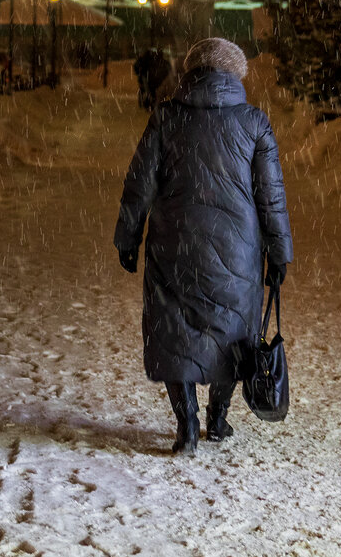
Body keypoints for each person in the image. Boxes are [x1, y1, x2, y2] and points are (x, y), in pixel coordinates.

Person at [114, 38, 292, 455]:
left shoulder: (166, 118)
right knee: (233, 331)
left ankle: (187, 426)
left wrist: (127, 237)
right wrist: (279, 252)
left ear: (190, 74)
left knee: (175, 332)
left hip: (172, 246)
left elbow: (139, 184)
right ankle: (218, 418)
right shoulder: (254, 122)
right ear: (235, 75)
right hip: (238, 251)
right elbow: (271, 196)